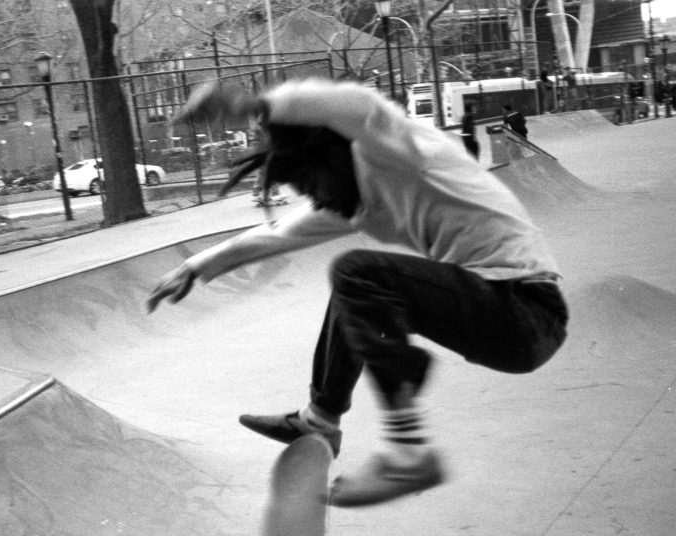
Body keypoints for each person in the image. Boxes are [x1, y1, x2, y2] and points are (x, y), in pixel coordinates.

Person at [146, 79, 567, 507]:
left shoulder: (395, 149)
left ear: (335, 153)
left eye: (314, 185)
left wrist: (255, 105)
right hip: (496, 312)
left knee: (358, 273)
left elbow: (358, 104)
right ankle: (320, 420)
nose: (317, 200)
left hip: (525, 309)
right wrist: (196, 265)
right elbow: (276, 234)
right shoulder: (352, 202)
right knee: (351, 292)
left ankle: (408, 454)